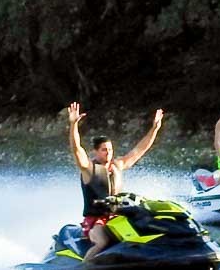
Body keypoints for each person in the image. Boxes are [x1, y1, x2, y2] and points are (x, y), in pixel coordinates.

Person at [68, 101, 164, 261]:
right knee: (102, 242)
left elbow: (139, 150)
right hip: (95, 221)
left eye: (110, 149)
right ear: (95, 151)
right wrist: (73, 125)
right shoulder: (88, 169)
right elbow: (76, 149)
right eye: (104, 150)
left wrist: (154, 128)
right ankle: (85, 267)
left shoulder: (117, 165)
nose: (108, 153)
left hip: (117, 216)